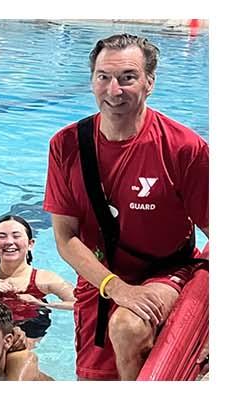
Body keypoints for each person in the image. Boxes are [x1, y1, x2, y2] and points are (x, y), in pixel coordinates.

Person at [44, 33, 207, 380]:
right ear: (92, 80)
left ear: (150, 82)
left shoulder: (183, 148)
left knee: (128, 327)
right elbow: (65, 238)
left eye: (127, 78)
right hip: (100, 280)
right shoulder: (66, 145)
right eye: (103, 77)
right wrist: (115, 287)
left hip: (166, 271)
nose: (113, 90)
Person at [0, 215, 75, 348]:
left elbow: (79, 303)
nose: (9, 242)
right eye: (2, 236)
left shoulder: (44, 279)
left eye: (16, 236)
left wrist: (38, 303)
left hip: (28, 326)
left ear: (30, 244)